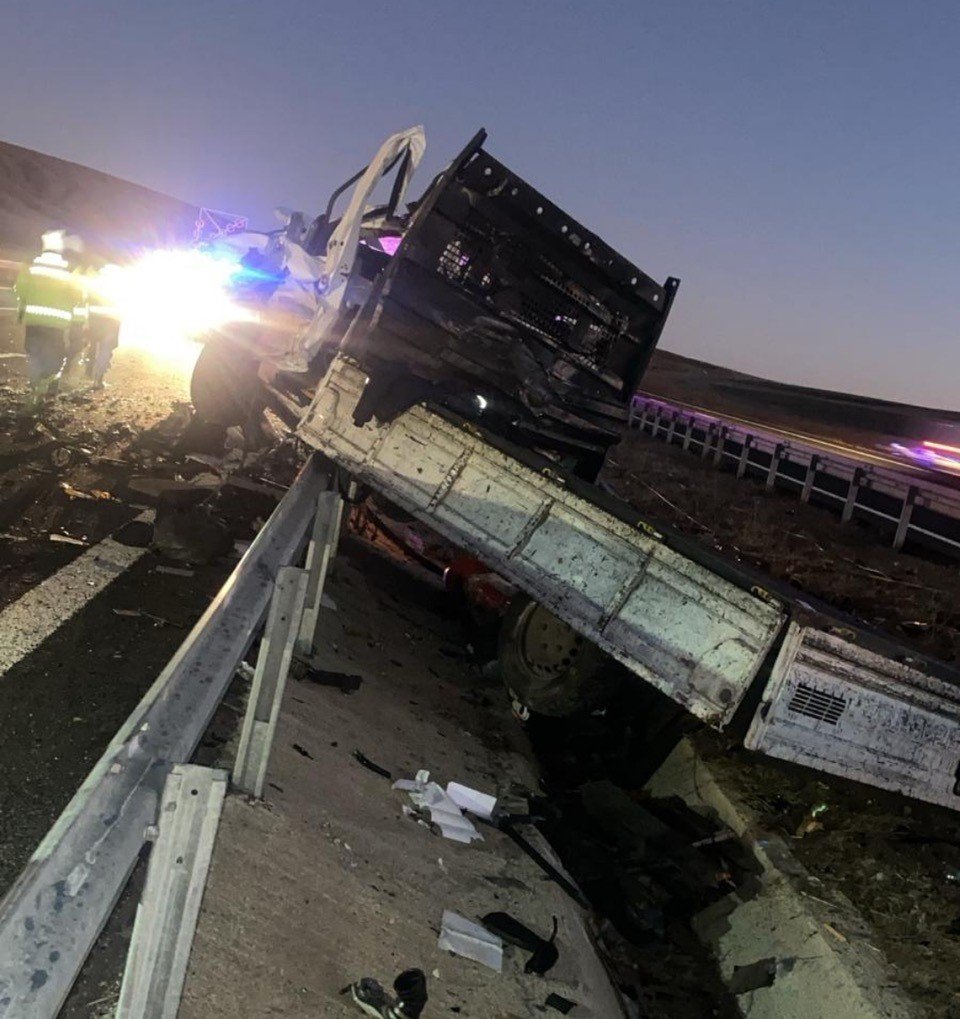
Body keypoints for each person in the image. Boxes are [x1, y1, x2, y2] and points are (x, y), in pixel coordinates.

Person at [14, 231, 84, 409]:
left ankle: (35, 390)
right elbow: (78, 296)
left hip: (33, 322)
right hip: (56, 325)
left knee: (34, 356)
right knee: (54, 359)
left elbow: (20, 290)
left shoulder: (31, 267)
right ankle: (44, 385)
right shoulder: (69, 272)